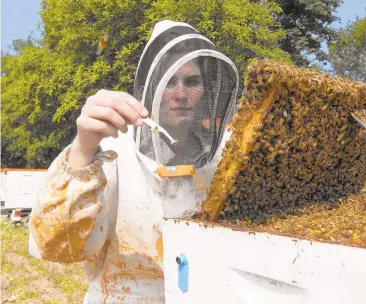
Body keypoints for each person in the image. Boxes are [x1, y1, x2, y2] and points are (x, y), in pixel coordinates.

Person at [28, 20, 239, 303]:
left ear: (207, 90)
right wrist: (83, 146)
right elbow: (55, 245)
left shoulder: (228, 156)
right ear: (150, 86)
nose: (180, 94)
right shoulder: (111, 152)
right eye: (169, 80)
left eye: (191, 81)